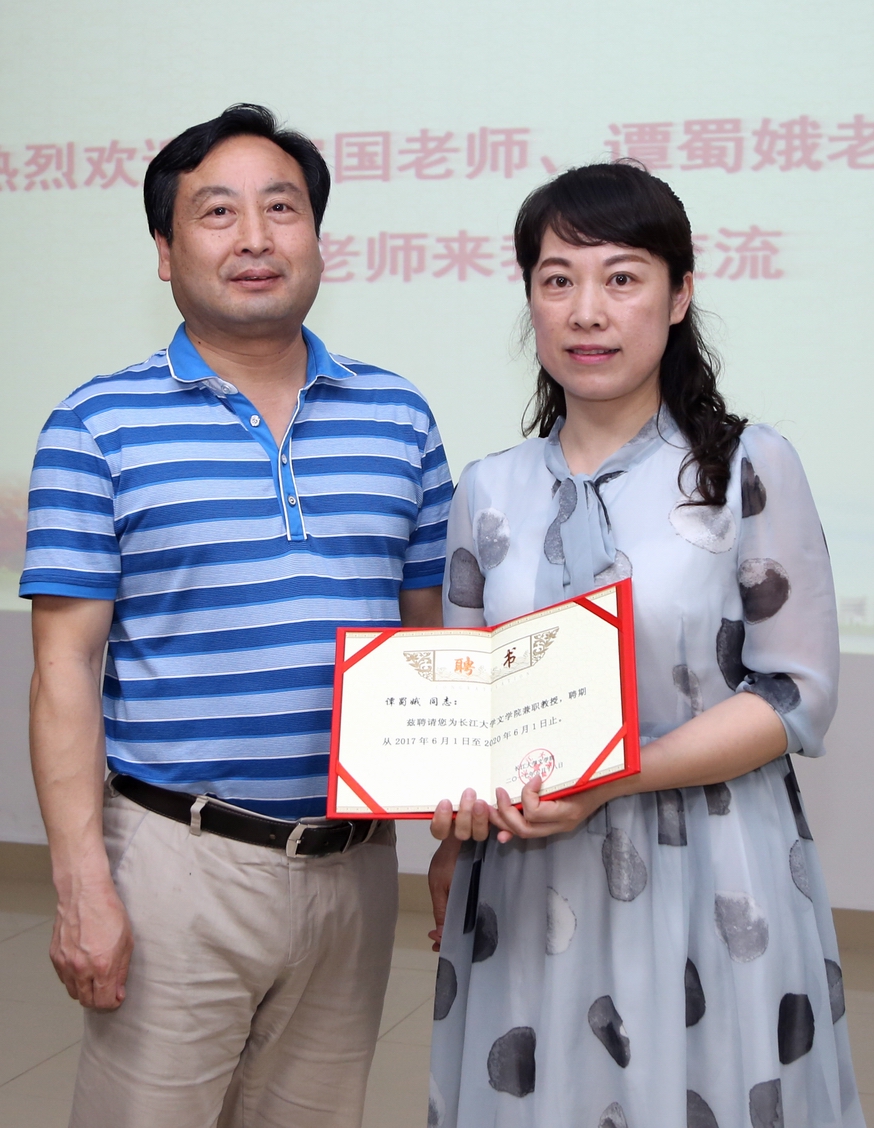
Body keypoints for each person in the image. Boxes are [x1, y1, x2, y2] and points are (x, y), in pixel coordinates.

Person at [21, 103, 451, 1128]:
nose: (255, 238)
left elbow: (429, 645)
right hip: (176, 860)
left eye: (282, 209)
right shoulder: (95, 424)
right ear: (165, 251)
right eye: (218, 213)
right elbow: (64, 668)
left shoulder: (399, 417)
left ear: (318, 238)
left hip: (354, 869)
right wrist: (82, 885)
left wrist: (454, 838)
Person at [427, 162, 865, 1127]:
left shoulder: (744, 467)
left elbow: (795, 695)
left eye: (621, 278)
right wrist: (456, 817)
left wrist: (614, 778)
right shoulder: (488, 490)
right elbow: (467, 709)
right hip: (528, 876)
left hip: (713, 865)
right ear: (530, 299)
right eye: (557, 280)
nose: (587, 311)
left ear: (679, 295)